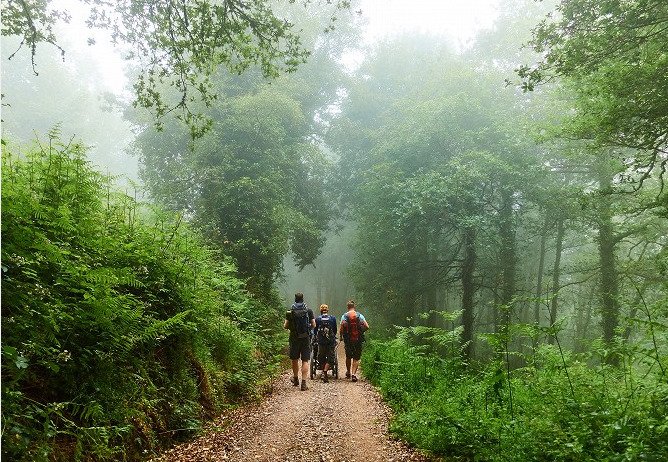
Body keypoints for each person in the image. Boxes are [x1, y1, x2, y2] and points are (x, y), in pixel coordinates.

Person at [284, 292, 316, 390]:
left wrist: (292, 328)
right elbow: (314, 324)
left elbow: (285, 326)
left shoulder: (290, 312)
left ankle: (296, 379)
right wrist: (307, 329)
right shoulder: (308, 311)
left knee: (294, 359)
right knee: (305, 360)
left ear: (295, 299)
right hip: (305, 337)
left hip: (294, 337)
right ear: (303, 299)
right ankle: (304, 383)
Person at [339, 300, 369, 382]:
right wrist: (361, 332)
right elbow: (367, 326)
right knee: (356, 357)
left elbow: (341, 329)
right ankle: (354, 374)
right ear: (354, 307)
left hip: (348, 339)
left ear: (347, 307)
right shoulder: (360, 316)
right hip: (358, 339)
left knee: (348, 356)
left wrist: (341, 337)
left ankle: (348, 372)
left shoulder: (344, 316)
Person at [313, 304, 337, 383]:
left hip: (321, 341)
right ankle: (325, 372)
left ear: (320, 310)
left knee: (321, 356)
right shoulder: (333, 318)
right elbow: (334, 330)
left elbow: (315, 331)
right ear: (327, 310)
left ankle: (323, 370)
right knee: (331, 357)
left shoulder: (317, 319)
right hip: (330, 341)